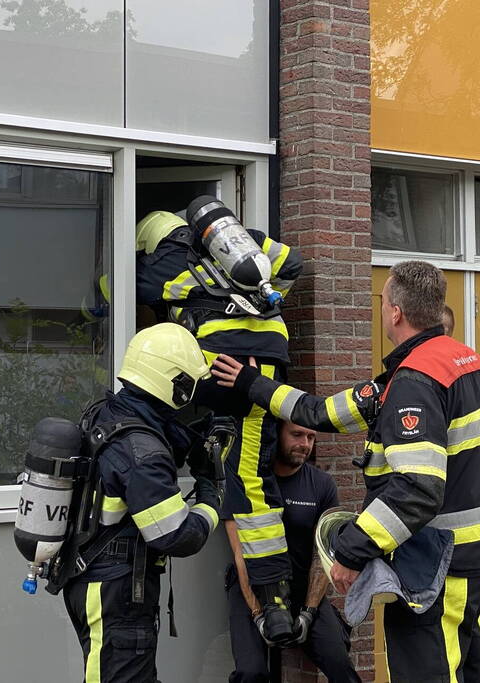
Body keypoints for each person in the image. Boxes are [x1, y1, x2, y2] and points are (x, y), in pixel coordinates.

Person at [212, 261, 480, 683]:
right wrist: (252, 383)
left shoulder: (415, 381)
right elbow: (319, 413)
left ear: (396, 313)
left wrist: (352, 550)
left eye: (383, 300)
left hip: (435, 570)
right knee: (463, 669)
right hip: (473, 564)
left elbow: (417, 488)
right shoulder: (463, 365)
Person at [134, 202, 305, 640]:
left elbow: (111, 288)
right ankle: (276, 599)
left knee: (168, 420)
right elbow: (293, 262)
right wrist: (242, 238)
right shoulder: (237, 246)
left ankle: (271, 596)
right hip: (265, 368)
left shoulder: (161, 265)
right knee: (248, 471)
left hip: (213, 366)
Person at [62, 323, 223, 683]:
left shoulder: (108, 413)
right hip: (115, 593)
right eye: (190, 386)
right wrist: (212, 494)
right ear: (175, 385)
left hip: (94, 580)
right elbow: (175, 536)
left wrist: (189, 441)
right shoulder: (143, 451)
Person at [224, 420, 360, 683]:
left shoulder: (322, 485)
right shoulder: (247, 482)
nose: (304, 444)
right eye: (296, 435)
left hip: (302, 588)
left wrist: (308, 612)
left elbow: (323, 556)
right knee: (251, 674)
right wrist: (258, 615)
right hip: (252, 587)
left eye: (310, 437)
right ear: (276, 434)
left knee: (340, 665)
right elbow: (240, 557)